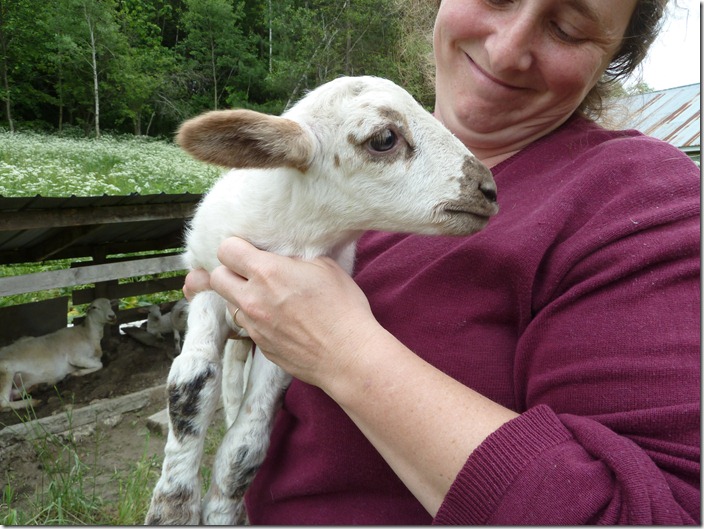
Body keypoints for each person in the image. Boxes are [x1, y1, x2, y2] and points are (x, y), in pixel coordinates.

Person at [184, 0, 700, 524]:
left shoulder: (642, 202)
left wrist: (342, 349)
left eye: (567, 29)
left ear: (615, 54)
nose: (506, 51)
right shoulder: (337, 160)